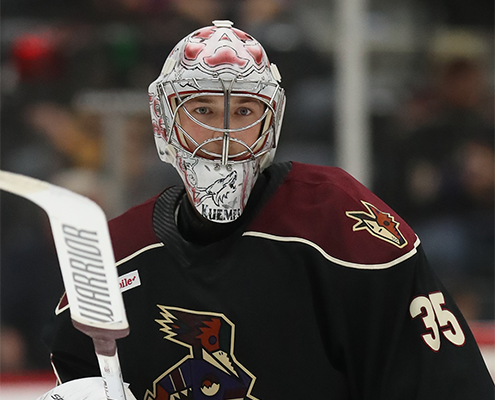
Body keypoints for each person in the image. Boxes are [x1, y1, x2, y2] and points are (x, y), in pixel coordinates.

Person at [46, 20, 494, 399]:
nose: (223, 135)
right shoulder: (113, 256)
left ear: (272, 121)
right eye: (202, 108)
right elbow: (80, 370)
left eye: (243, 111)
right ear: (164, 120)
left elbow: (446, 384)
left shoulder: (339, 223)